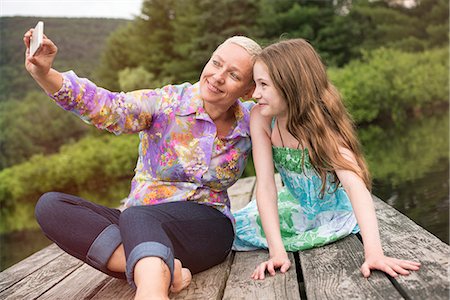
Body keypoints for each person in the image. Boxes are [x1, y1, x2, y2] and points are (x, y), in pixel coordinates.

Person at [23, 27, 261, 300]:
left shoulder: (252, 120)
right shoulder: (166, 102)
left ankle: (151, 291)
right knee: (51, 207)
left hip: (206, 229)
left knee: (136, 215)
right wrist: (44, 74)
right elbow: (107, 107)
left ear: (248, 89)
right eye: (216, 63)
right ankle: (162, 269)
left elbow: (299, 113)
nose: (218, 77)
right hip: (140, 227)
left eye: (234, 75)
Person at [233, 39, 421, 280]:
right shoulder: (261, 118)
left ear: (290, 85)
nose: (255, 94)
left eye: (263, 85)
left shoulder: (321, 124)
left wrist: (374, 252)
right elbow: (266, 185)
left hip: (331, 211)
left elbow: (355, 186)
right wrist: (276, 251)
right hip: (294, 205)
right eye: (255, 84)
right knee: (235, 227)